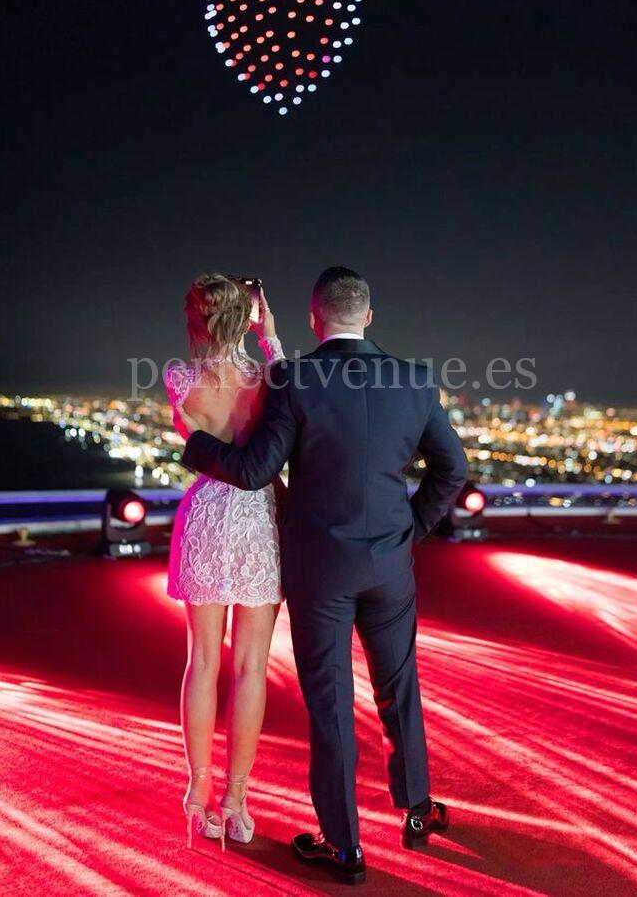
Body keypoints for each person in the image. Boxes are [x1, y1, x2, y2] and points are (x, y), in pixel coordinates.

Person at [179, 266, 468, 884]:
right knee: (399, 685)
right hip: (388, 565)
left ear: (315, 320)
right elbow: (452, 470)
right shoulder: (415, 380)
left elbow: (256, 469)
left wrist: (196, 445)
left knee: (331, 701)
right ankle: (417, 809)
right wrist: (410, 531)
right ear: (369, 316)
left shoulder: (296, 380)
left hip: (319, 569)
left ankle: (344, 848)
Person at [164, 273, 284, 850]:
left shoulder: (178, 377)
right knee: (251, 666)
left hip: (206, 516)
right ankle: (237, 799)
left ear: (196, 321)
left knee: (203, 661)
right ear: (246, 317)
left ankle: (199, 792)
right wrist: (269, 333)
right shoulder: (268, 379)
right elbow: (288, 397)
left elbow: (194, 441)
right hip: (259, 518)